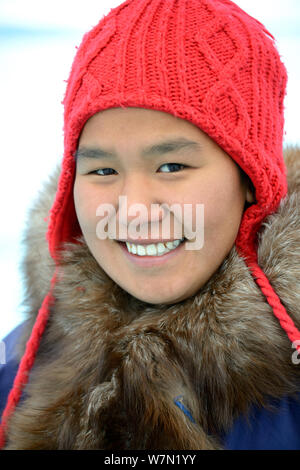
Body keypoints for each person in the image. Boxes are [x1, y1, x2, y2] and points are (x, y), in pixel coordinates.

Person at [0, 0, 300, 450]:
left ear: (250, 179)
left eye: (171, 166)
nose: (134, 208)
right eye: (103, 171)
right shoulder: (24, 365)